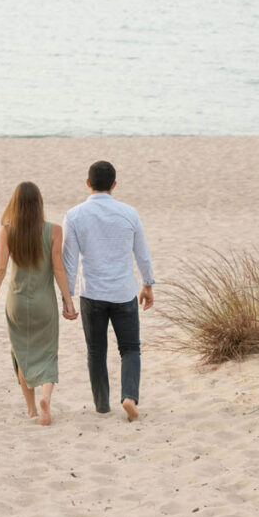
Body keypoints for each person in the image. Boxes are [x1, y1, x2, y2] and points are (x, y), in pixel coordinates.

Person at [62, 161, 155, 422]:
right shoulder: (129, 213)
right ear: (114, 185)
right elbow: (143, 255)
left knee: (95, 351)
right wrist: (147, 284)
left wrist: (67, 298)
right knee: (130, 349)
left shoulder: (74, 215)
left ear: (88, 183)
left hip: (92, 293)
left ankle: (102, 405)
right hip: (124, 292)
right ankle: (128, 397)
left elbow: (68, 260)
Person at [0, 182, 78, 426]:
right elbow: (58, 268)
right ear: (39, 204)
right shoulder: (54, 230)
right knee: (47, 352)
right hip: (44, 301)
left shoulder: (6, 231)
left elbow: (0, 269)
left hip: (16, 302)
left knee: (22, 353)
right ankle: (46, 398)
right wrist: (68, 301)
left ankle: (32, 410)